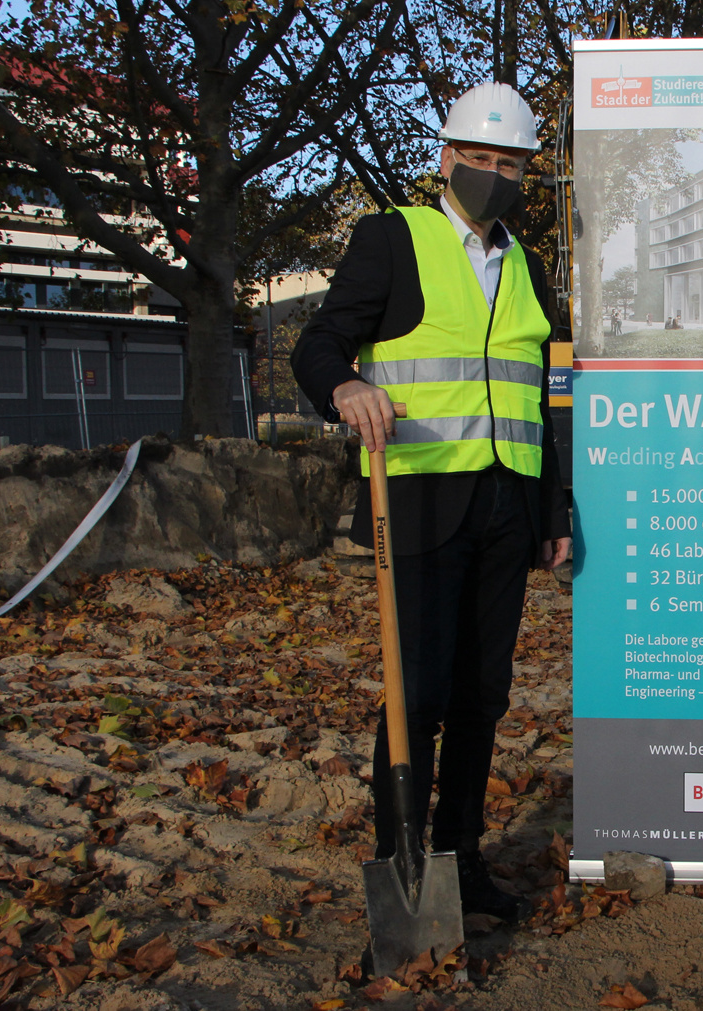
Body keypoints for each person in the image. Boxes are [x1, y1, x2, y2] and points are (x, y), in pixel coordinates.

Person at [289, 81, 570, 925]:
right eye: (478, 158)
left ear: (526, 174)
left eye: (509, 163)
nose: (492, 174)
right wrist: (342, 387)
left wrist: (553, 515)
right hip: (415, 500)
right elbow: (321, 340)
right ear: (445, 160)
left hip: (506, 505)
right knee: (419, 694)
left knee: (483, 694)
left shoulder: (528, 265)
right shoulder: (392, 238)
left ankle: (461, 858)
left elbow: (546, 400)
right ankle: (401, 860)